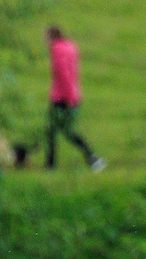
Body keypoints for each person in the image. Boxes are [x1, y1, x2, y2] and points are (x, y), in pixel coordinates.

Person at [42, 24, 106, 171]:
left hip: (61, 97)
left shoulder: (57, 49)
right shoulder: (70, 47)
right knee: (54, 130)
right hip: (72, 94)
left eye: (45, 36)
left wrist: (69, 97)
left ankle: (92, 157)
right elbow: (73, 73)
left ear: (51, 36)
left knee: (62, 130)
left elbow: (63, 73)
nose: (44, 40)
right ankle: (50, 164)